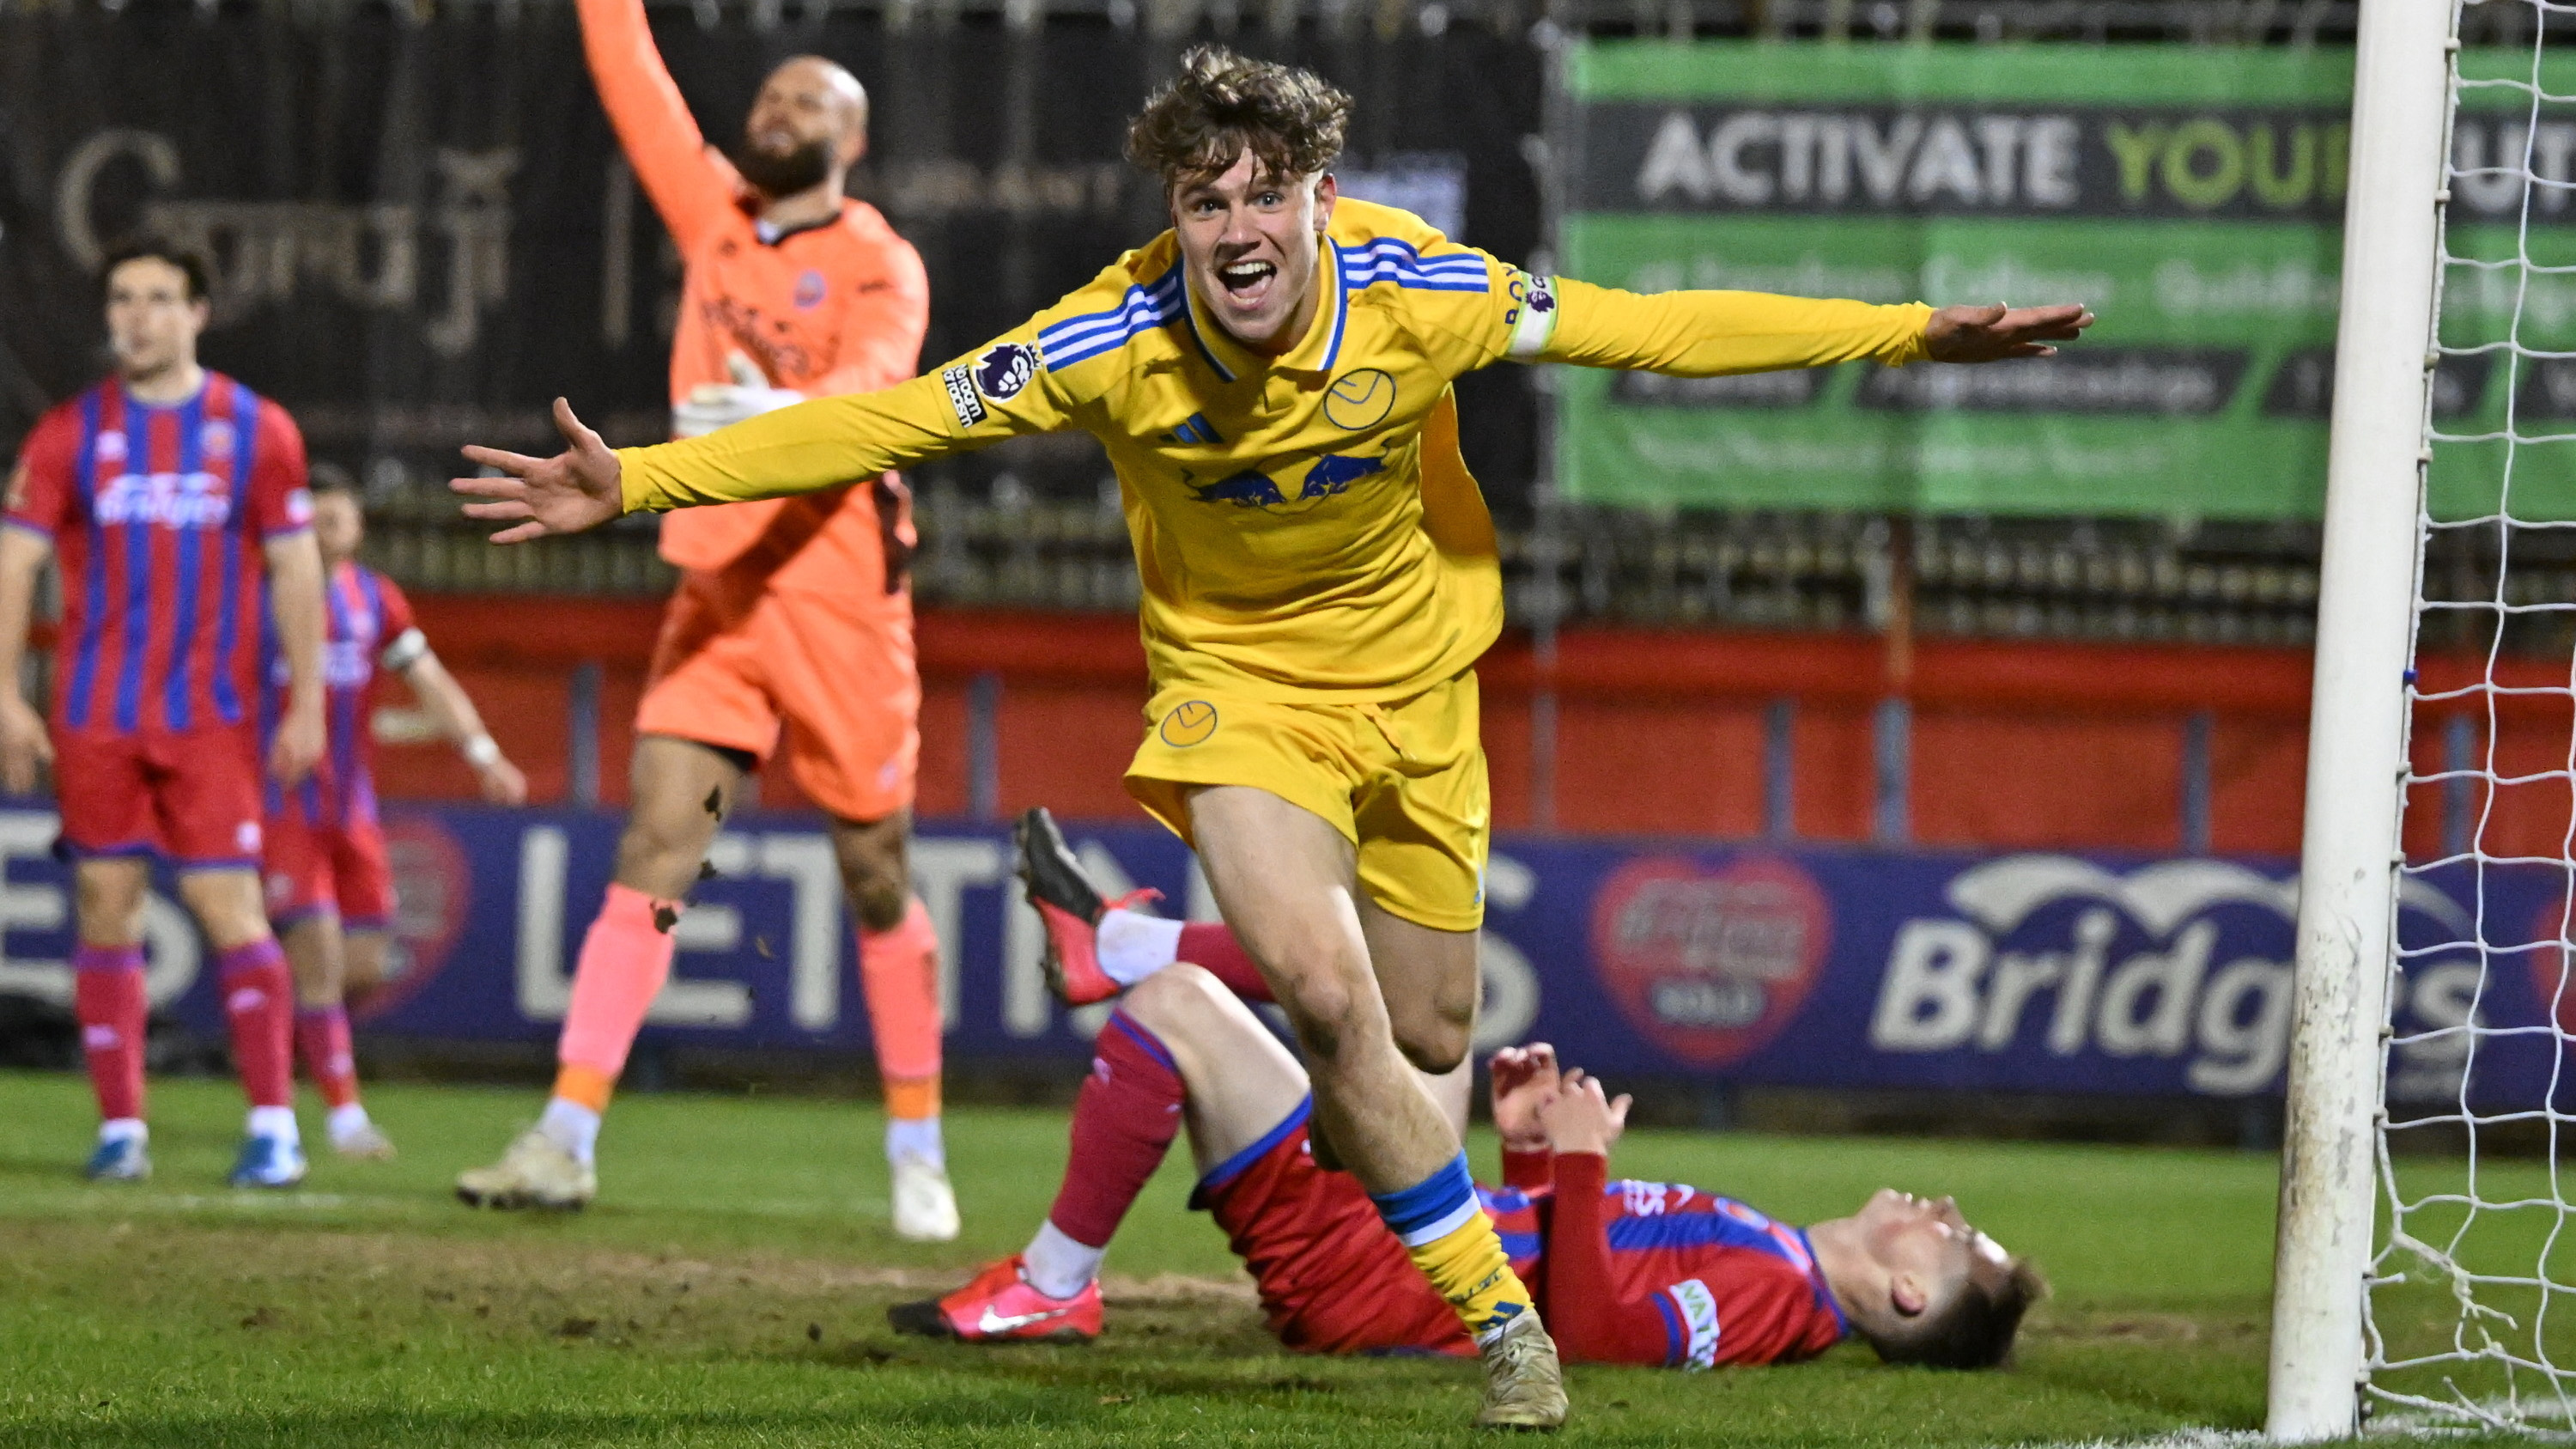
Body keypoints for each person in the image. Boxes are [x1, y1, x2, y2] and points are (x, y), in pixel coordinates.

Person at [449, 46, 2088, 1427]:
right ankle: (1506, 1339)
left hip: (1422, 697)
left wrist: (1909, 332)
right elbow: (897, 417)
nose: (1233, 228)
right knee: (1324, 992)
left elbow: (1654, 327)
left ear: (1319, 195)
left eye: (1261, 194)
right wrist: (642, 478)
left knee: (1434, 1039)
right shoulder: (1108, 337)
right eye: (1201, 199)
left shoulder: (1421, 292)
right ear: (1176, 220)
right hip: (1242, 699)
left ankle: (1142, 947)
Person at [452, 0, 951, 1237]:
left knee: (875, 870)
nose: (773, 113)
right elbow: (630, 72)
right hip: (720, 586)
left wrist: (770, 415)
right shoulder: (715, 214)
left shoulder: (884, 259)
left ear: (853, 135)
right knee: (658, 843)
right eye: (768, 98)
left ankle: (916, 1138)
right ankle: (566, 1131)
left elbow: (875, 389)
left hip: (838, 590)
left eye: (805, 102)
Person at [890, 962, 2044, 1373]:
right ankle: (1128, 946)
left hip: (1365, 1259)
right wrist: (1535, 1152)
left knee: (1177, 1007)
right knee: (1414, 997)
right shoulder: (1779, 1256)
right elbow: (1554, 1263)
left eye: (1957, 1238)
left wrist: (1583, 1170)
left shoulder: (1779, 1295)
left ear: (1907, 1295)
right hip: (1405, 1227)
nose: (1942, 1209)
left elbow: (1589, 1335)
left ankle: (1054, 1279)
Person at [0, 240, 328, 1189]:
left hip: (212, 716)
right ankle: (122, 1129)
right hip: (96, 714)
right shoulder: (69, 433)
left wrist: (306, 701)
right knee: (105, 905)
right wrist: (9, 698)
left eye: (157, 298)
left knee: (228, 905)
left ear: (198, 313)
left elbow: (298, 566)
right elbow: (15, 564)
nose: (136, 316)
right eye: (121, 298)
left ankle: (273, 1122)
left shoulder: (256, 430)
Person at [262, 475, 528, 1160]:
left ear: (357, 529)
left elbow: (429, 678)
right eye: (315, 518)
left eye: (338, 519)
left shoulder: (373, 599)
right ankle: (345, 1118)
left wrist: (483, 752)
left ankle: (272, 1051)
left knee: (369, 964)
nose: (327, 531)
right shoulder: (257, 597)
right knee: (319, 961)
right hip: (284, 806)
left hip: (354, 811)